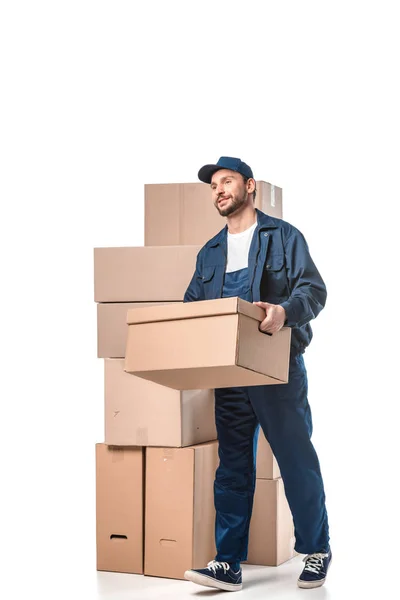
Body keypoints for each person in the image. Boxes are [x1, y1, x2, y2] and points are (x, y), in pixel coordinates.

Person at [183, 157, 332, 592]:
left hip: (276, 369)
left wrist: (284, 312)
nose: (218, 190)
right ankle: (227, 562)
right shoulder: (209, 252)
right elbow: (194, 305)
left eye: (226, 181)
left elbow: (313, 290)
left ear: (250, 187)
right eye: (213, 186)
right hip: (228, 373)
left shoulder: (283, 237)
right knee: (231, 468)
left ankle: (316, 549)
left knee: (295, 459)